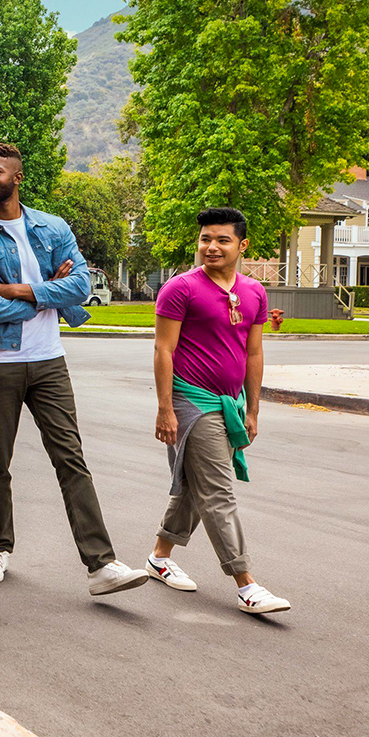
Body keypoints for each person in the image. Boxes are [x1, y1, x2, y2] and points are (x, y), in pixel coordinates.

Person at [0, 142, 149, 597]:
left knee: (71, 458)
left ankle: (101, 565)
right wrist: (48, 292)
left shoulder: (52, 226)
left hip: (49, 362)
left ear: (17, 177)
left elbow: (81, 285)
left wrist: (21, 290)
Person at [147, 207, 290, 615]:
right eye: (205, 239)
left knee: (196, 485)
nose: (211, 247)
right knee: (219, 492)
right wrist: (164, 408)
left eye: (222, 240)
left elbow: (255, 351)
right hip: (193, 402)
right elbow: (163, 349)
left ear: (242, 245)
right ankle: (246, 583)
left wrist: (253, 409)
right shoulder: (181, 288)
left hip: (231, 403)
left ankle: (159, 556)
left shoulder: (255, 292)